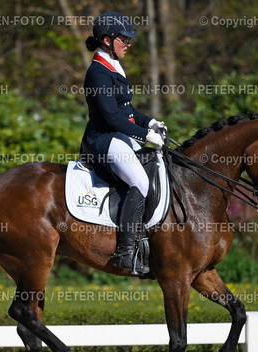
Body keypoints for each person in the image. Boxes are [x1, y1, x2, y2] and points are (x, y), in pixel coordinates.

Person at [81, 11, 167, 275]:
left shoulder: (113, 65)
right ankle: (127, 251)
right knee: (139, 182)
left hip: (119, 134)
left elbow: (126, 109)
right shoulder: (98, 72)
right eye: (124, 39)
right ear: (107, 40)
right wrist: (143, 134)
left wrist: (149, 122)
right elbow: (111, 116)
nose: (128, 44)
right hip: (103, 139)